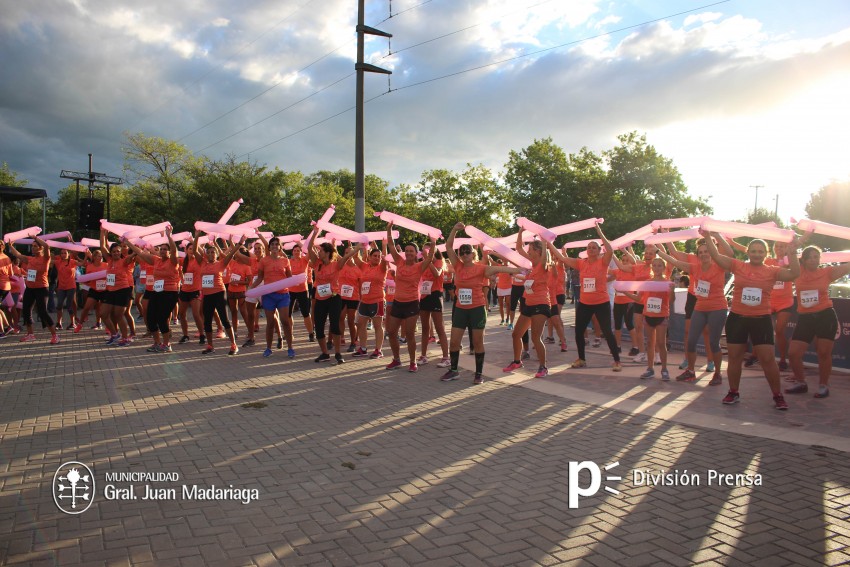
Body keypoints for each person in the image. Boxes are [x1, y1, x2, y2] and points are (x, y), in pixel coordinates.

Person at [702, 232, 800, 410]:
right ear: (748, 252)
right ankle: (733, 392)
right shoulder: (737, 266)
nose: (756, 254)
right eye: (753, 251)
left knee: (768, 359)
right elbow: (716, 256)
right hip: (737, 318)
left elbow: (794, 273)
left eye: (760, 251)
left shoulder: (772, 271)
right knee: (734, 358)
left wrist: (792, 253)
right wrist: (709, 236)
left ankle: (778, 395)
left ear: (766, 253)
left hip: (761, 319)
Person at [443, 223, 522, 384]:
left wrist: (518, 270)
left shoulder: (481, 268)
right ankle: (453, 370)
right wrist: (454, 230)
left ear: (473, 254)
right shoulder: (457, 266)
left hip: (477, 309)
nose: (465, 254)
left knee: (478, 342)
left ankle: (478, 374)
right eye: (462, 252)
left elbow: (502, 270)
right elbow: (448, 246)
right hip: (460, 309)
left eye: (468, 252)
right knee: (454, 341)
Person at [548, 223, 622, 371]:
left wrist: (599, 231)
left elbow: (610, 250)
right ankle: (581, 359)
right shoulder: (581, 263)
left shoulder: (603, 261)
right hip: (585, 303)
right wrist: (549, 243)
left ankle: (617, 360)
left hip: (601, 302)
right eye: (588, 247)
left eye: (594, 247)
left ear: (599, 250)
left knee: (607, 331)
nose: (590, 249)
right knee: (579, 331)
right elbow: (562, 258)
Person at [656, 239, 730, 385]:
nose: (703, 254)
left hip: (717, 307)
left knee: (714, 342)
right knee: (690, 341)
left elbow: (730, 252)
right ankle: (690, 371)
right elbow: (675, 261)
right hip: (700, 307)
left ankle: (717, 374)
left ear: (712, 252)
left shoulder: (719, 265)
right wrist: (658, 252)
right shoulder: (695, 268)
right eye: (700, 252)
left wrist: (714, 235)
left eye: (706, 251)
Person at [784, 246, 850, 398]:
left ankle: (823, 385)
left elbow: (847, 266)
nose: (814, 259)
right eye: (810, 257)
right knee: (793, 353)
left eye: (816, 257)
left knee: (823, 352)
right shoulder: (798, 272)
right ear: (804, 260)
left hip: (825, 315)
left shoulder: (827, 272)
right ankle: (801, 382)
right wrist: (795, 242)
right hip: (806, 317)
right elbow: (791, 254)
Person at [384, 222, 437, 372]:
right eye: (406, 251)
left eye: (411, 251)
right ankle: (396, 360)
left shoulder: (419, 266)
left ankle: (413, 362)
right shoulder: (399, 262)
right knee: (392, 332)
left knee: (409, 334)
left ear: (416, 253)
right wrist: (389, 230)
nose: (408, 253)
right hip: (397, 302)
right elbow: (392, 247)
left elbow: (431, 256)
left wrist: (433, 242)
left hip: (412, 303)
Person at [503, 231, 555, 378]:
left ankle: (543, 367)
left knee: (535, 337)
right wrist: (520, 231)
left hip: (541, 304)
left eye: (530, 250)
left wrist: (545, 242)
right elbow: (519, 248)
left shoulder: (543, 265)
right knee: (516, 334)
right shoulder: (532, 266)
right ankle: (517, 361)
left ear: (538, 252)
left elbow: (544, 256)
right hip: (528, 304)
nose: (527, 252)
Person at [305, 227, 358, 364]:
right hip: (320, 299)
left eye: (321, 250)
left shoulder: (336, 265)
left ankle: (338, 354)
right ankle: (324, 353)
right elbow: (310, 246)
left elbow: (347, 256)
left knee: (335, 325)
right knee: (319, 326)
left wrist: (359, 246)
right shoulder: (317, 263)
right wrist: (316, 232)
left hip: (334, 298)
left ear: (327, 253)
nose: (319, 251)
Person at [124, 227, 180, 352]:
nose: (163, 251)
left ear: (170, 252)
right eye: (162, 249)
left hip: (170, 293)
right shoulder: (156, 260)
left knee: (161, 318)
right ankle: (157, 342)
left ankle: (166, 344)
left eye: (166, 250)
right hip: (157, 292)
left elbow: (175, 250)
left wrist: (169, 236)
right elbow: (141, 253)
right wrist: (128, 243)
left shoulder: (173, 262)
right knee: (150, 317)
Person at [622, 258, 673, 380]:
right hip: (648, 316)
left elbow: (671, 301)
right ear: (652, 268)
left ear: (663, 268)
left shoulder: (667, 283)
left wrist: (673, 291)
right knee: (650, 343)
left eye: (659, 265)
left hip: (661, 316)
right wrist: (625, 292)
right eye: (654, 265)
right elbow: (639, 299)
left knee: (661, 343)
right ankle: (650, 369)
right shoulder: (646, 283)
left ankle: (664, 369)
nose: (656, 268)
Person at [195, 233, 245, 355]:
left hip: (219, 293)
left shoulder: (221, 263)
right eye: (209, 252)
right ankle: (210, 346)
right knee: (207, 321)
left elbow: (232, 253)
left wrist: (240, 243)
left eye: (214, 252)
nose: (211, 254)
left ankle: (234, 345)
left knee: (224, 319)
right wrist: (196, 236)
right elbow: (195, 249)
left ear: (217, 254)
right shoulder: (202, 263)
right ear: (206, 254)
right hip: (207, 295)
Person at [247, 236, 295, 358]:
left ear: (280, 247)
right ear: (269, 247)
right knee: (270, 323)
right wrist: (251, 288)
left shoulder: (285, 260)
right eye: (272, 244)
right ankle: (268, 348)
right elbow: (260, 277)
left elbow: (289, 278)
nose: (274, 246)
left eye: (276, 244)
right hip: (269, 295)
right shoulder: (264, 261)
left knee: (285, 321)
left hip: (283, 294)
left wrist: (297, 281)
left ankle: (290, 348)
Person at [7, 235, 59, 343]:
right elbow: (18, 255)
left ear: (40, 248)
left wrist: (35, 237)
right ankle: (30, 334)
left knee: (43, 312)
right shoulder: (30, 259)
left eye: (35, 246)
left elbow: (46, 246)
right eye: (32, 246)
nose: (33, 248)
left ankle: (54, 335)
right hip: (30, 289)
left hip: (42, 289)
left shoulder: (45, 258)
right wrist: (10, 246)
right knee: (26, 311)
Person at [352, 240, 389, 359]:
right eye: (374, 256)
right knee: (360, 324)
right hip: (364, 301)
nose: (377, 258)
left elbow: (385, 258)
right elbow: (355, 257)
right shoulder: (364, 266)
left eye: (378, 256)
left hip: (377, 300)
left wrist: (384, 245)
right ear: (370, 256)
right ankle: (363, 348)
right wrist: (359, 246)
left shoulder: (382, 267)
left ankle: (378, 350)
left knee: (378, 326)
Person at [100, 232, 136, 346]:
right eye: (114, 251)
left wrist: (128, 243)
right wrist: (102, 232)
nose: (116, 253)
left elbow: (135, 252)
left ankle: (125, 338)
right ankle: (115, 335)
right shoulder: (109, 261)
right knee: (103, 314)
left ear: (120, 252)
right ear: (111, 253)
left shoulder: (124, 261)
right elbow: (102, 246)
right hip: (110, 291)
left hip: (122, 290)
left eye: (118, 251)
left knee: (118, 315)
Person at [417, 244, 450, 367]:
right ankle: (424, 356)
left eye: (430, 249)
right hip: (424, 296)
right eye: (424, 249)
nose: (426, 251)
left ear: (435, 250)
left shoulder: (439, 262)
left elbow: (436, 274)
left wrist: (428, 260)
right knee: (425, 328)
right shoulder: (423, 263)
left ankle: (446, 357)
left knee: (439, 327)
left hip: (436, 295)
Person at [177, 240, 205, 345]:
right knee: (182, 314)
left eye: (194, 249)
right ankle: (185, 335)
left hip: (195, 290)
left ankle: (202, 334)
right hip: (184, 290)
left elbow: (202, 253)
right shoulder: (183, 261)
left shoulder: (198, 260)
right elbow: (172, 258)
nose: (192, 251)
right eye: (190, 249)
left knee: (196, 314)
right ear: (186, 250)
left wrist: (193, 239)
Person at [288, 243, 315, 342]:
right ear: (292, 252)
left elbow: (309, 249)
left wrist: (300, 243)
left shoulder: (304, 260)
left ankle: (311, 333)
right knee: (288, 313)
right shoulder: (289, 261)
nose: (296, 252)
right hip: (290, 290)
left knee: (306, 313)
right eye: (294, 251)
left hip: (303, 290)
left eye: (298, 251)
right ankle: (289, 333)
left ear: (301, 252)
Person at [53, 248, 80, 331]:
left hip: (71, 287)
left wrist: (86, 255)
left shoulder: (72, 262)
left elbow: (83, 263)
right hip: (61, 287)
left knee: (69, 305)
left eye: (65, 253)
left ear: (68, 254)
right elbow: (48, 261)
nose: (63, 254)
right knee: (59, 305)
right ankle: (59, 323)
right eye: (62, 253)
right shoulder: (58, 262)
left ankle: (73, 323)